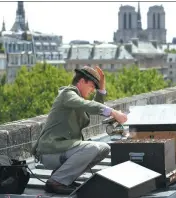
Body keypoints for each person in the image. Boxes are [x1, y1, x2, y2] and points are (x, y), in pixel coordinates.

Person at [31, 66, 128, 194]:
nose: (93, 90)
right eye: (92, 86)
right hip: (50, 151)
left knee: (104, 148)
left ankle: (63, 176)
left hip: (63, 150)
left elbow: (93, 105)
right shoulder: (67, 94)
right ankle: (57, 181)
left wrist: (101, 90)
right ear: (82, 81)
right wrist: (113, 112)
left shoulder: (76, 98)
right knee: (92, 148)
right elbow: (87, 105)